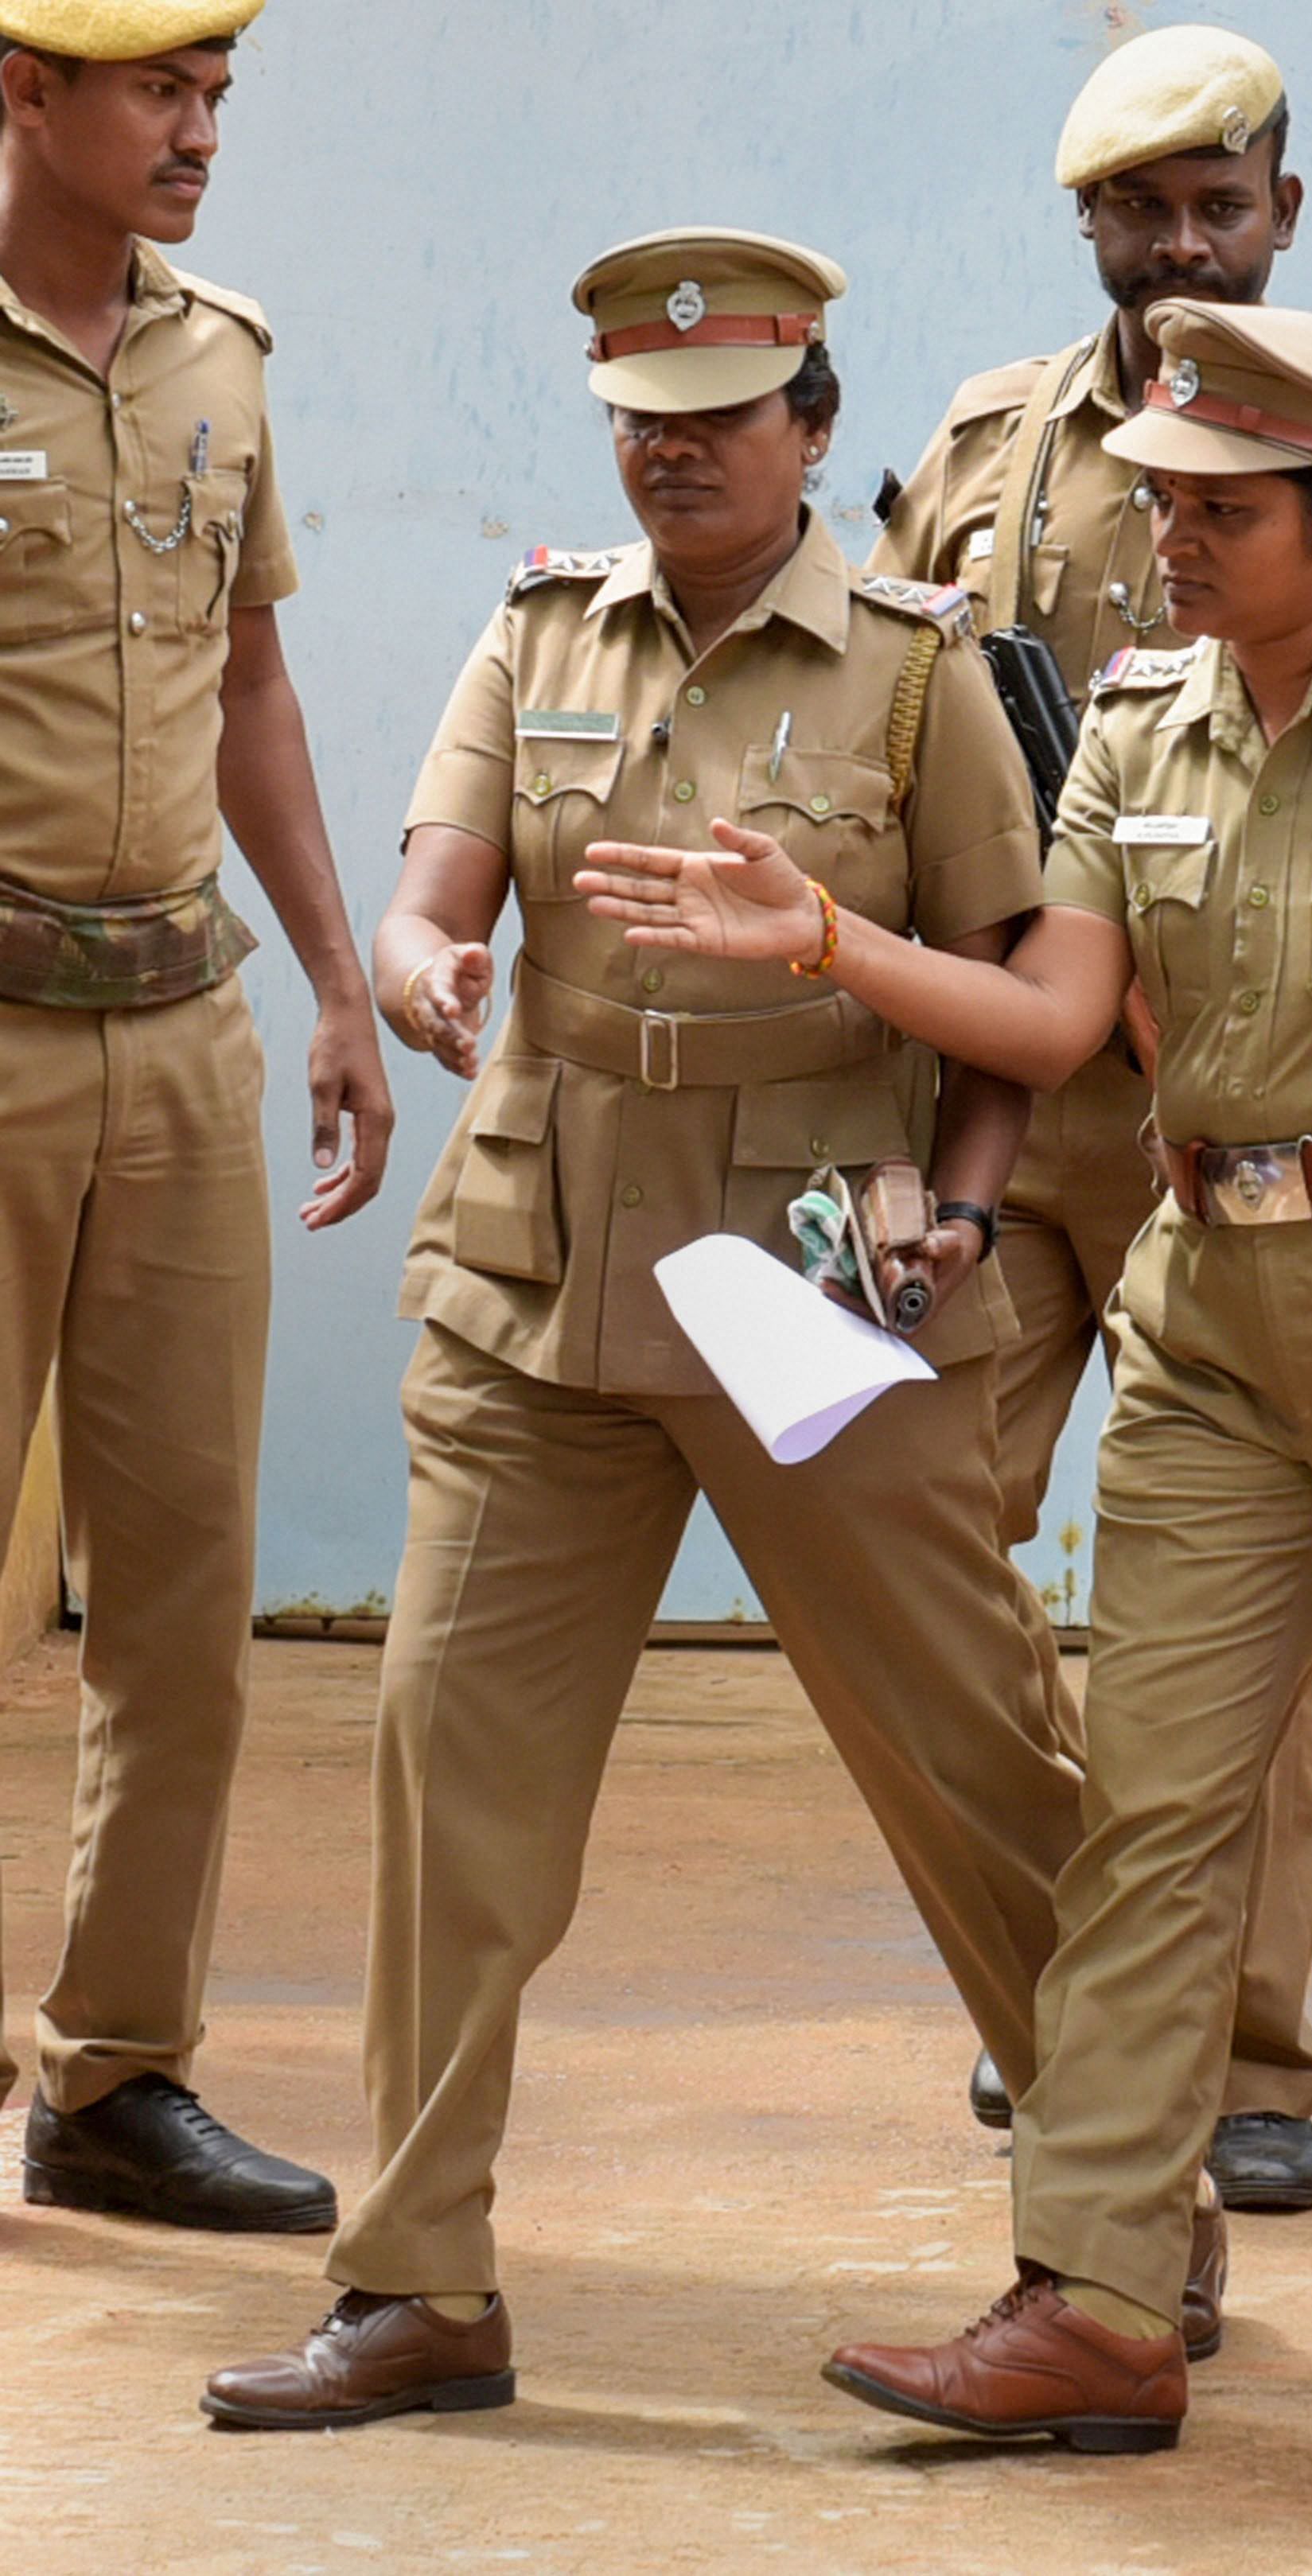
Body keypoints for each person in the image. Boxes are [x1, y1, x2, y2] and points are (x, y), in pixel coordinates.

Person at [588, 302, 1312, 2454]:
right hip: (1213, 1318)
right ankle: (1093, 2289)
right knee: (1158, 1807)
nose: (1166, 537)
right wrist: (832, 947)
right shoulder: (1138, 724)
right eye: (1158, 497)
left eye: (1222, 509)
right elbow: (1058, 1016)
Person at [199, 228, 1115, 2430]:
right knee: (454, 1767)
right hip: (542, 1261)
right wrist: (422, 973)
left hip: (816, 1256)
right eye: (641, 421)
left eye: (721, 421)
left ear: (812, 431)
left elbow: (1012, 991)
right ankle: (419, 2281)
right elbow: (440, 893)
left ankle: (1116, 2211)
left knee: (975, 1751)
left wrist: (967, 1216)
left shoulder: (916, 665)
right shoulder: (541, 633)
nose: (673, 454)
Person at [871, 19, 1312, 2208]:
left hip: (1245, 1120)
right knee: (910, 1522)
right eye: (1137, 215)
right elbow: (893, 746)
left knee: (1235, 1596)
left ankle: (1241, 2059)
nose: (1175, 247)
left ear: (1283, 213)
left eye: (1215, 206)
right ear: (1087, 230)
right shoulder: (980, 446)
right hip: (1011, 1115)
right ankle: (1079, 1974)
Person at [0, 0, 389, 2234]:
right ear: (26, 94)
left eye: (221, 97)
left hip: (180, 1036)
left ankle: (115, 2072)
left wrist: (337, 974)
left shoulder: (222, 355)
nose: (199, 135)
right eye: (159, 92)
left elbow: (251, 683)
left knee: (184, 1588)